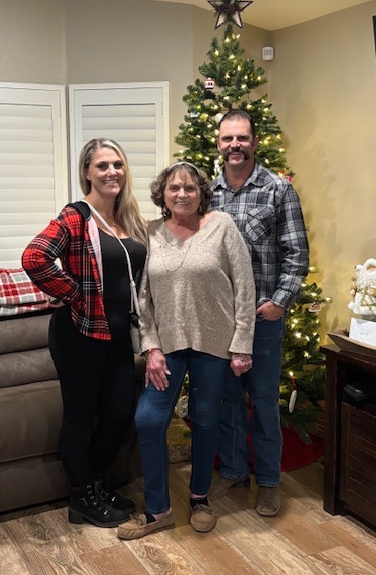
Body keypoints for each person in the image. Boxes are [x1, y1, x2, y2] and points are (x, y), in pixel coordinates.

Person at [117, 162, 256, 540]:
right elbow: (142, 297)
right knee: (149, 419)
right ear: (162, 195)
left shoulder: (222, 226)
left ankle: (199, 498)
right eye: (174, 188)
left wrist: (242, 345)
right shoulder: (151, 233)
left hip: (215, 344)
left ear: (201, 193)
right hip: (167, 347)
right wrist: (151, 346)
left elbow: (244, 287)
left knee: (206, 419)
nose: (182, 194)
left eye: (190, 188)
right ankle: (158, 510)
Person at [22, 138, 147, 528]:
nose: (112, 172)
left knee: (118, 413)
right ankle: (81, 498)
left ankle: (96, 485)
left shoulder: (128, 219)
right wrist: (75, 294)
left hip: (117, 336)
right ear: (87, 173)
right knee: (80, 417)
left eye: (117, 164)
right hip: (79, 333)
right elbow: (35, 257)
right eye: (102, 166)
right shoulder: (77, 216)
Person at [208, 109, 309, 517]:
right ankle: (234, 471)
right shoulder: (207, 193)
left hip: (262, 318)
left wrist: (279, 303)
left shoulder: (278, 190)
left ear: (254, 141)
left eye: (242, 138)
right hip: (220, 319)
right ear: (219, 143)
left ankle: (268, 482)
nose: (234, 145)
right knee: (228, 399)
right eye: (227, 138)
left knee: (264, 401)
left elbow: (297, 253)